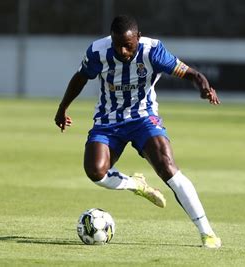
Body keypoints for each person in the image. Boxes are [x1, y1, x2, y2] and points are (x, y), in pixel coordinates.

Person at [54, 15, 222, 248]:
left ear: (138, 38)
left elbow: (192, 74)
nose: (122, 50)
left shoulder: (153, 51)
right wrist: (63, 108)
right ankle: (136, 185)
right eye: (117, 44)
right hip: (108, 120)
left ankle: (207, 233)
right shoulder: (97, 51)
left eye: (128, 45)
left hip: (144, 118)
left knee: (168, 168)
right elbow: (80, 78)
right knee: (95, 171)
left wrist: (204, 88)